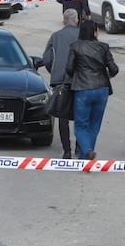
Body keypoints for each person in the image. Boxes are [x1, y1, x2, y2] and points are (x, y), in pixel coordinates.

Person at [65, 20, 119, 160]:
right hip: (102, 89)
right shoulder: (104, 47)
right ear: (95, 32)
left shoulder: (75, 46)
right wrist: (107, 76)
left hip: (82, 89)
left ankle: (87, 151)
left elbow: (69, 69)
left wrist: (78, 75)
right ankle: (86, 159)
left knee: (81, 125)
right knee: (94, 125)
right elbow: (114, 69)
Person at [43, 8, 80, 159]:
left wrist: (54, 70)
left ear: (63, 22)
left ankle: (66, 150)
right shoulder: (82, 36)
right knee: (80, 115)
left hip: (60, 80)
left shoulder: (55, 36)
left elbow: (47, 59)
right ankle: (79, 147)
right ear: (76, 21)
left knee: (62, 116)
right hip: (79, 80)